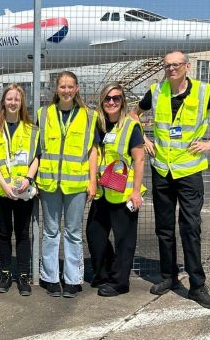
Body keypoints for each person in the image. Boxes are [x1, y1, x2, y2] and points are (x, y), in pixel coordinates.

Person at [130, 50, 210, 310]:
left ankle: (197, 286)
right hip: (162, 171)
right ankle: (168, 277)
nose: (171, 69)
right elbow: (133, 115)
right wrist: (144, 140)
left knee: (190, 228)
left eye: (176, 65)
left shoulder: (204, 91)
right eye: (167, 65)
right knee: (164, 228)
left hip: (189, 172)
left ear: (187, 66)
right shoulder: (156, 91)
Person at [37, 70, 99, 298]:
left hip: (76, 184)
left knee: (73, 232)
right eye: (62, 86)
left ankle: (73, 279)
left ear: (77, 89)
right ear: (56, 89)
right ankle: (50, 278)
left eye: (70, 86)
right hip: (49, 183)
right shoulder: (43, 114)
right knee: (50, 232)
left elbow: (93, 150)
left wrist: (93, 181)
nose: (66, 90)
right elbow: (37, 150)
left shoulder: (89, 116)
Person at [86, 83, 146, 297]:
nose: (112, 102)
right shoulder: (100, 125)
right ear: (102, 102)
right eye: (108, 99)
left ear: (122, 102)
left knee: (124, 240)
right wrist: (92, 182)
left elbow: (139, 159)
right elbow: (95, 153)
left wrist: (136, 192)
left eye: (116, 98)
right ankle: (104, 274)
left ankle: (120, 282)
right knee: (94, 234)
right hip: (103, 191)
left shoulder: (131, 126)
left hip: (123, 194)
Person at [0, 84, 40, 296]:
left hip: (24, 190)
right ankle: (6, 273)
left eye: (16, 99)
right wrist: (4, 185)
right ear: (3, 102)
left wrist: (28, 178)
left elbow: (37, 156)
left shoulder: (31, 129)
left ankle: (23, 276)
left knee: (23, 234)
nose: (13, 103)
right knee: (4, 233)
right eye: (9, 99)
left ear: (21, 102)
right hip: (1, 191)